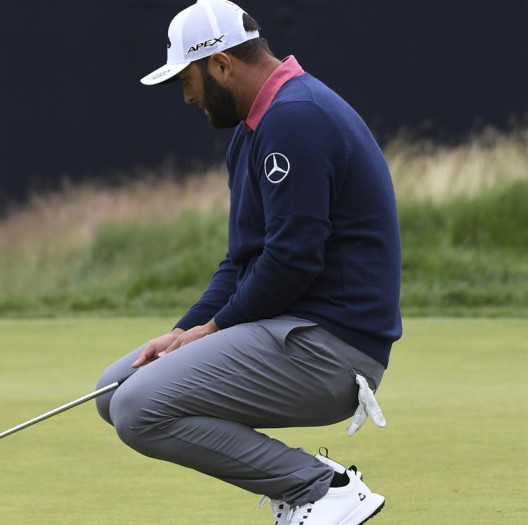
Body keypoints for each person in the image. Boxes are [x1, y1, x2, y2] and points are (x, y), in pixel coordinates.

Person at [94, 2, 401, 524]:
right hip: (293, 332)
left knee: (137, 407)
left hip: (334, 349)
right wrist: (183, 330)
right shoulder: (255, 130)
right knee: (115, 389)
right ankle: (312, 487)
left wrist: (211, 329)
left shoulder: (296, 117)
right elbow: (243, 261)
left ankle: (322, 490)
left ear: (220, 64)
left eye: (187, 79)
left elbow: (291, 261)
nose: (188, 96)